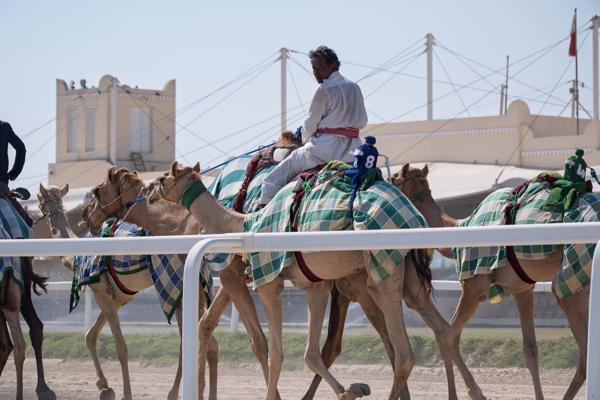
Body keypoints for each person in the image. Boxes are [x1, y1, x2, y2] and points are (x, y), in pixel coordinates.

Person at [258, 45, 368, 205]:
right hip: (353, 151)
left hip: (323, 151)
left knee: (275, 176)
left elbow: (311, 123)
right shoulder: (355, 87)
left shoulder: (324, 89)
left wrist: (302, 135)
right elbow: (362, 121)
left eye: (320, 68)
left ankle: (263, 207)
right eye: (314, 69)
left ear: (334, 66)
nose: (316, 73)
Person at [0, 120, 26, 196]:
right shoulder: (4, 126)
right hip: (2, 185)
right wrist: (14, 173)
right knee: (15, 206)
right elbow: (21, 148)